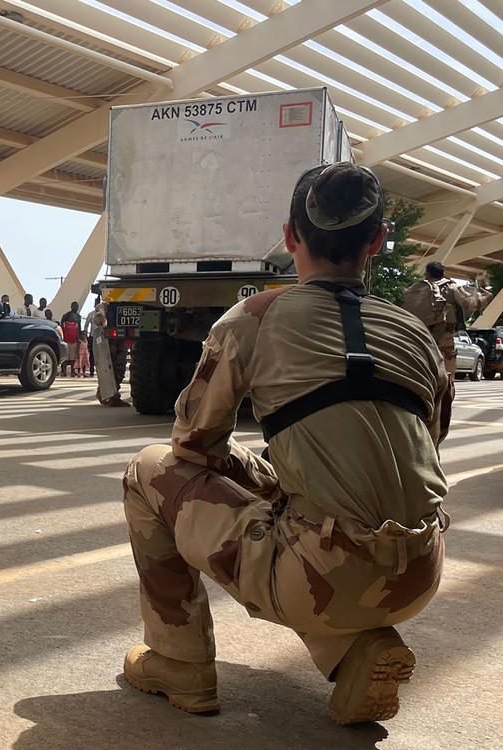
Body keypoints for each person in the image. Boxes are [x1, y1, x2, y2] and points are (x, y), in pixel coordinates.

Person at [121, 164, 451, 725]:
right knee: (307, 513)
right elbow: (426, 446)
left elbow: (194, 443)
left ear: (291, 235)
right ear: (376, 240)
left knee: (149, 471)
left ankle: (180, 662)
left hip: (319, 570)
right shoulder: (416, 334)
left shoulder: (257, 317)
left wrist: (253, 472)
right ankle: (354, 653)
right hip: (422, 570)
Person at [403, 261, 493, 439]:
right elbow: (470, 305)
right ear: (443, 274)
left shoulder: (415, 288)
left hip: (418, 343)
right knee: (445, 388)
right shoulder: (451, 287)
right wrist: (486, 298)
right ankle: (438, 432)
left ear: (426, 274)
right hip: (443, 345)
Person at [90, 300, 128, 405]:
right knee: (111, 366)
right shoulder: (105, 306)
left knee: (118, 366)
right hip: (110, 340)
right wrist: (103, 319)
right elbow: (98, 318)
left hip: (119, 338)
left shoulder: (122, 306)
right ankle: (109, 395)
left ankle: (109, 394)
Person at [60, 302, 82, 377]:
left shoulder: (79, 316)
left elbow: (79, 328)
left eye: (77, 306)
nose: (76, 308)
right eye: (75, 306)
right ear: (71, 306)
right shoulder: (65, 315)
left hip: (74, 340)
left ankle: (73, 371)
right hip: (66, 340)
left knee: (73, 358)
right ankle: (63, 371)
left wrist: (79, 339)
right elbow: (62, 328)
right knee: (65, 358)